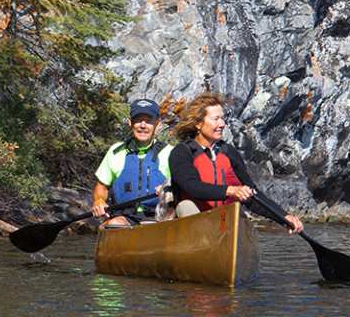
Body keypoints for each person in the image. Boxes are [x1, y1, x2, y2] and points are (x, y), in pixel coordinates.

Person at [169, 92, 304, 233]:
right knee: (185, 205)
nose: (222, 124)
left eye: (222, 118)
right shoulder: (181, 153)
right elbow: (192, 187)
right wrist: (231, 190)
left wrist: (284, 217)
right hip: (195, 224)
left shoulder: (229, 152)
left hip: (223, 224)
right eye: (216, 119)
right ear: (198, 123)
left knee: (239, 211)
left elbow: (252, 196)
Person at [91, 98, 173, 226]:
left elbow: (183, 186)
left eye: (148, 120)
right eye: (138, 120)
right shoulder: (115, 152)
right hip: (124, 217)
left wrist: (168, 188)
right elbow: (101, 186)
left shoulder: (170, 153)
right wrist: (99, 200)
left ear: (157, 124)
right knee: (114, 224)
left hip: (159, 218)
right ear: (130, 122)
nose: (143, 125)